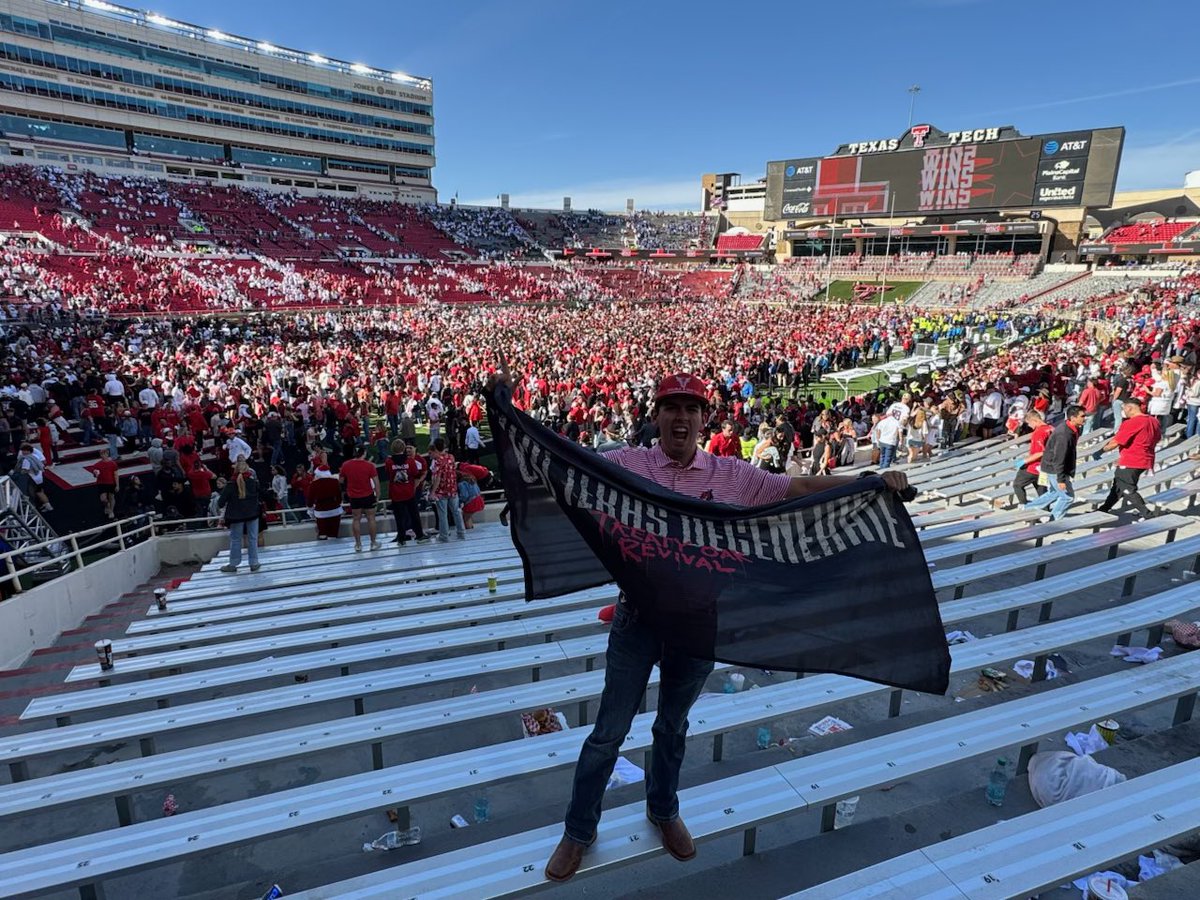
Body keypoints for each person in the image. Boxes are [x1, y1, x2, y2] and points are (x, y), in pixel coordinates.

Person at [534, 369, 911, 883]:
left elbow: (796, 486)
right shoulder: (628, 464)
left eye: (691, 409)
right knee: (608, 731)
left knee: (672, 726)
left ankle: (663, 810)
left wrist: (869, 482)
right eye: (671, 407)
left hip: (699, 621)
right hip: (638, 620)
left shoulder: (734, 475)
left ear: (703, 418)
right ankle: (579, 829)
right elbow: (571, 469)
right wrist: (513, 414)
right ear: (656, 416)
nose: (681, 417)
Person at [1094, 398, 1162, 520]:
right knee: (1118, 486)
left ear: (1129, 408)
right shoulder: (1153, 421)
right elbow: (1157, 438)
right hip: (1146, 459)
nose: (1123, 411)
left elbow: (1116, 442)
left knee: (1127, 489)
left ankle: (1148, 514)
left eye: (1124, 408)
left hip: (1131, 460)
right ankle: (1104, 509)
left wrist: (1100, 451)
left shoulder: (1132, 422)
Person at [1025, 404, 1084, 521]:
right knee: (1067, 497)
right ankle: (1054, 521)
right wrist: (1061, 479)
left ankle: (1027, 509)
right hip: (1054, 469)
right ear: (1072, 418)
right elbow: (1059, 458)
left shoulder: (1073, 429)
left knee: (1053, 493)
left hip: (1052, 466)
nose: (1084, 418)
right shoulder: (1064, 434)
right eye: (1082, 416)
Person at [218, 459, 261, 573]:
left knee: (236, 540)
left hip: (236, 516)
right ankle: (254, 563)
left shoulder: (230, 485)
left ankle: (233, 563)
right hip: (252, 514)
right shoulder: (254, 483)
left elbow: (220, 503)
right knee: (252, 538)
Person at [340, 446, 382, 552]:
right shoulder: (369, 466)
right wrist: (377, 495)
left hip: (354, 496)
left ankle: (358, 545)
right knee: (371, 518)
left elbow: (341, 480)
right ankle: (373, 543)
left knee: (356, 519)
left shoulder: (346, 465)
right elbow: (376, 482)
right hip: (368, 495)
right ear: (364, 453)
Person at [384, 441, 424, 546]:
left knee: (399, 517)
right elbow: (416, 475)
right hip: (409, 492)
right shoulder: (410, 461)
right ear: (404, 448)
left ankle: (401, 538)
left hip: (396, 493)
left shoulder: (389, 461)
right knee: (414, 515)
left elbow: (388, 474)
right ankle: (419, 535)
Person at [1011, 409, 1052, 506]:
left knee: (1017, 485)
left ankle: (1023, 505)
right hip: (1046, 466)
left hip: (1034, 466)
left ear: (1034, 420)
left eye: (1029, 423)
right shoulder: (1051, 428)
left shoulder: (1038, 433)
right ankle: (1045, 510)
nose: (1029, 426)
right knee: (1041, 489)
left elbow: (1040, 452)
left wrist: (1025, 461)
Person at [429, 438, 465, 542]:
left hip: (441, 491)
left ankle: (444, 536)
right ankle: (461, 533)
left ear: (435, 448)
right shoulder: (451, 457)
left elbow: (437, 478)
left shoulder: (438, 462)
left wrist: (432, 492)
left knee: (443, 514)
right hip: (452, 489)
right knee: (456, 512)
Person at [306, 465, 343, 540]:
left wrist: (310, 508)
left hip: (321, 511)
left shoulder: (314, 484)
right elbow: (339, 496)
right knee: (333, 533)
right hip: (334, 509)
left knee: (322, 532)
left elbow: (310, 499)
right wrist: (338, 504)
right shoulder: (335, 481)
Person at [84, 447, 119, 519]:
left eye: (104, 454)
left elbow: (116, 475)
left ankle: (111, 511)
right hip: (101, 483)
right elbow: (95, 475)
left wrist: (117, 485)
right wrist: (94, 473)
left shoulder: (113, 464)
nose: (103, 455)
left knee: (111, 497)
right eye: (101, 454)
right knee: (103, 499)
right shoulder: (97, 465)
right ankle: (107, 506)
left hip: (111, 482)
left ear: (107, 454)